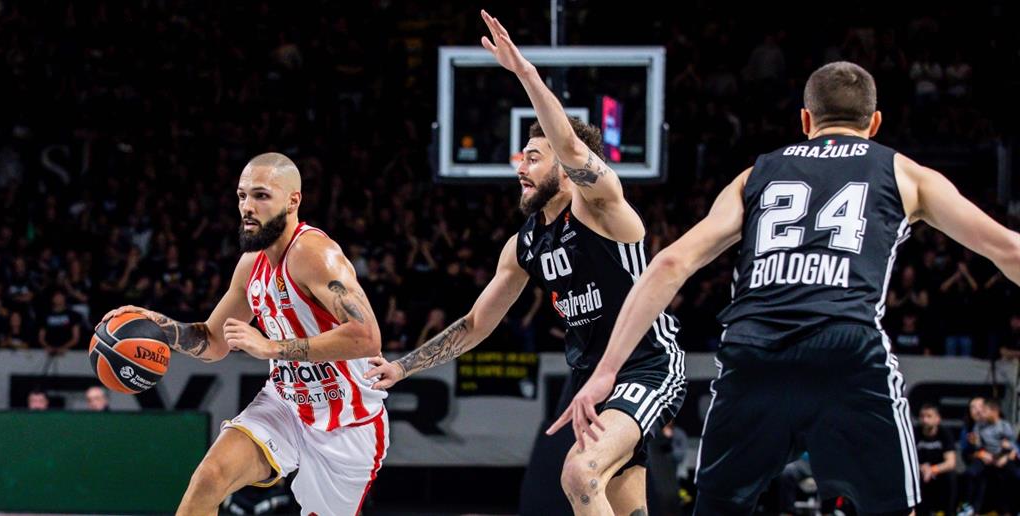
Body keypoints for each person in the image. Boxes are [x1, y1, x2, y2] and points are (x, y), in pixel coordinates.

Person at [555, 60, 1020, 514]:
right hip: (847, 350)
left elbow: (670, 263)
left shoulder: (755, 174)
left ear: (806, 120)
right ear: (875, 122)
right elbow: (1008, 250)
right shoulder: (904, 172)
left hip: (752, 353)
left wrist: (607, 371)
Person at [367, 12, 682, 515]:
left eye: (534, 157)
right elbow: (475, 324)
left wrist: (524, 72)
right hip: (590, 379)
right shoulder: (524, 245)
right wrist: (403, 367)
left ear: (566, 167)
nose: (521, 167)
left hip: (646, 364)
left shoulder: (601, 208)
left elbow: (571, 146)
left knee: (579, 472)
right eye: (521, 158)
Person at [105, 152, 387, 516]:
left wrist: (272, 347)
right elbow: (213, 341)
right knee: (210, 478)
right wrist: (156, 325)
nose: (247, 207)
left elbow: (366, 336)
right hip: (286, 403)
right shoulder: (251, 264)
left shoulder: (314, 253)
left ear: (293, 201)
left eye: (261, 196)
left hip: (348, 420)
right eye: (242, 196)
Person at [914, 404, 956, 516]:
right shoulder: (914, 433)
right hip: (920, 472)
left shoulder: (945, 433)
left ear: (938, 418)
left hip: (938, 472)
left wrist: (932, 470)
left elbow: (951, 463)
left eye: (929, 416)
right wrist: (922, 468)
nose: (925, 420)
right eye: (922, 416)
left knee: (951, 476)